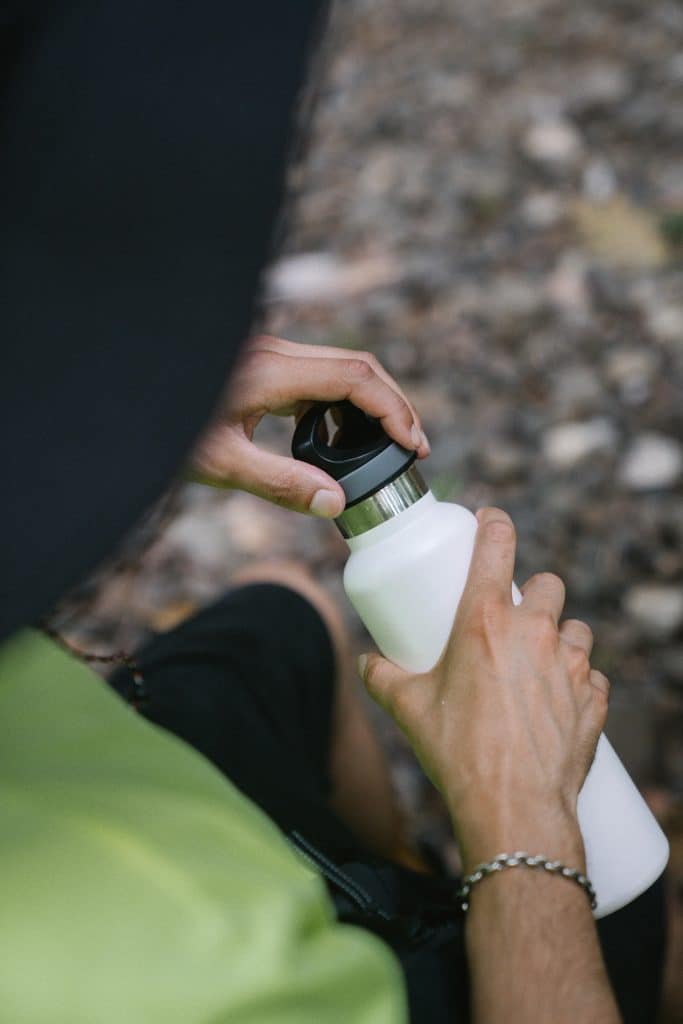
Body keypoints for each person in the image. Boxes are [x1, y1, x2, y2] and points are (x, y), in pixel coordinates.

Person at [0, 4, 664, 1022]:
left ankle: (407, 866)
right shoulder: (172, 976)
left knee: (286, 619)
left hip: (54, 746)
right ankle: (470, 910)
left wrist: (98, 380)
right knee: (638, 904)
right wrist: (516, 820)